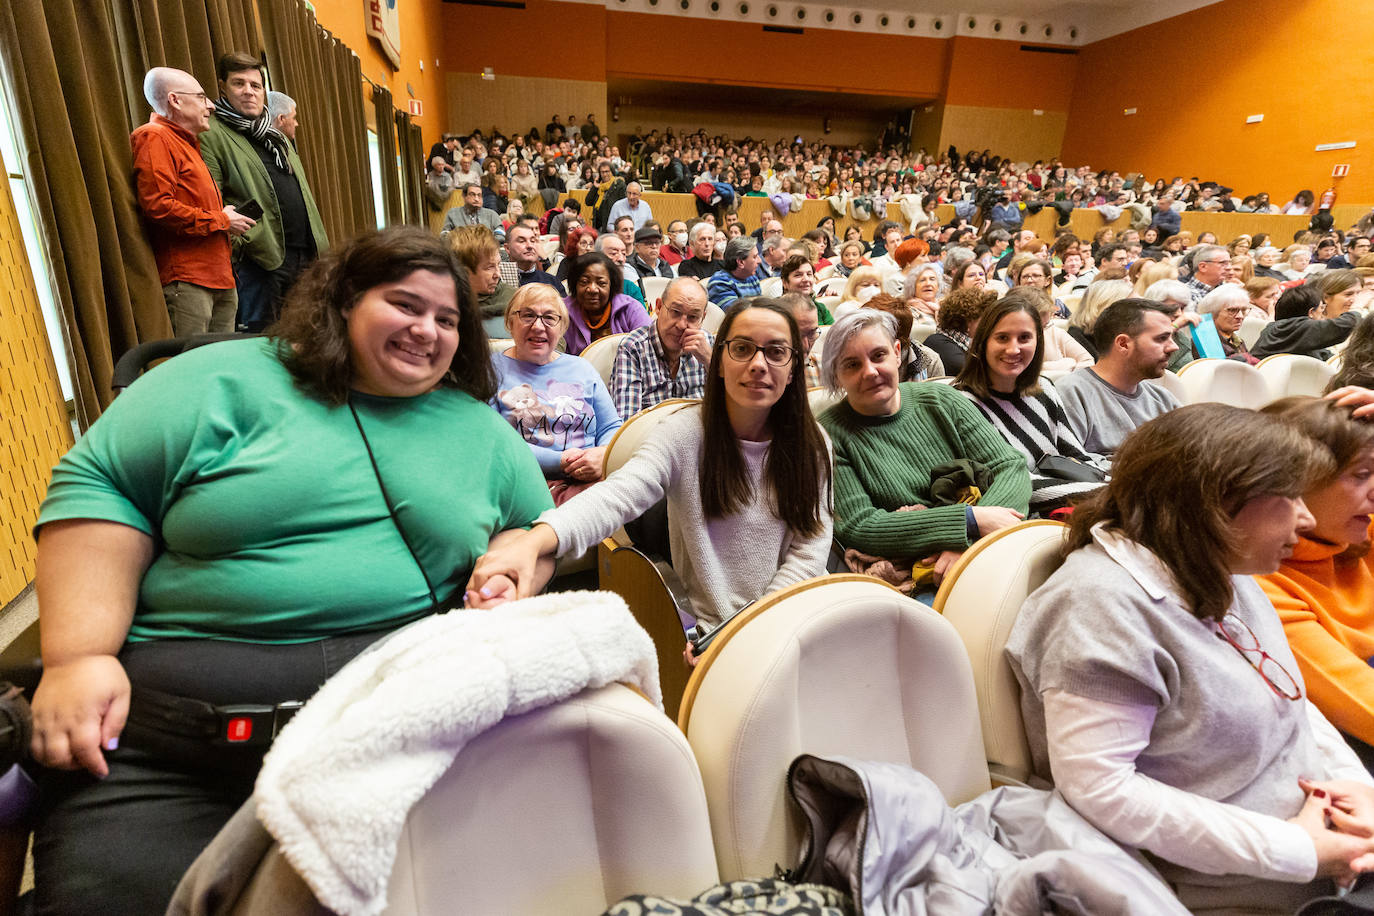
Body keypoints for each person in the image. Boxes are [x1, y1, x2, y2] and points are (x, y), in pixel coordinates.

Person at [25, 227, 553, 915]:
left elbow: (537, 529)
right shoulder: (216, 380)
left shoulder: (476, 428)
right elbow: (102, 486)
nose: (427, 330)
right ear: (342, 301)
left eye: (447, 319)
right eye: (404, 305)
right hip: (175, 753)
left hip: (394, 747)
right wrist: (77, 658)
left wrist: (515, 563)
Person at [1006, 403, 1374, 914]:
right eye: (1288, 498)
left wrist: (1356, 787)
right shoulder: (1098, 608)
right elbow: (1102, 788)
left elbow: (1289, 700)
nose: (1306, 517)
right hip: (1235, 893)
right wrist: (1299, 850)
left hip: (1324, 861)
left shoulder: (1220, 565)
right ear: (1216, 504)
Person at [468, 298, 833, 629]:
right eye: (742, 349)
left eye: (776, 352)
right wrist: (533, 543)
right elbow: (618, 495)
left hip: (789, 617)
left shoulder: (813, 443)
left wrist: (760, 622)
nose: (758, 365)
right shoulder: (684, 433)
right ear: (719, 361)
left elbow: (810, 549)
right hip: (713, 630)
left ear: (793, 368)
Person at [818, 309, 1030, 582]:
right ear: (836, 374)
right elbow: (860, 526)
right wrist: (968, 521)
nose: (869, 371)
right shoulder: (827, 435)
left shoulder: (942, 399)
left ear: (897, 353)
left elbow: (1010, 466)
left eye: (878, 356)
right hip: (921, 572)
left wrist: (969, 541)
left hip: (992, 545)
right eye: (852, 365)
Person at [1259, 395, 1374, 770]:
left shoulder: (1354, 531)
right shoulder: (1262, 584)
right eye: (1361, 475)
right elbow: (1363, 702)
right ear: (1293, 485)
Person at [200, 52, 328, 331]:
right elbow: (212, 198)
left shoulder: (276, 136)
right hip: (261, 261)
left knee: (306, 337)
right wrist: (245, 246)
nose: (249, 91)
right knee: (262, 340)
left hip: (304, 256)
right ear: (223, 87)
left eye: (255, 85)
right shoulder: (212, 134)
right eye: (239, 83)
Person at [954, 290, 1107, 511]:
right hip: (1025, 515)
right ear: (983, 342)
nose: (1013, 349)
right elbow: (1014, 483)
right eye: (1002, 338)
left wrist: (1111, 486)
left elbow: (1076, 457)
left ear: (1038, 342)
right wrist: (1105, 494)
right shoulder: (962, 404)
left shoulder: (1043, 388)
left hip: (1077, 501)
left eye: (1024, 338)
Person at [131, 67, 252, 336]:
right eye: (201, 97)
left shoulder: (189, 143)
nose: (211, 105)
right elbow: (158, 207)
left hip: (220, 278)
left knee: (221, 359)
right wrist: (222, 219)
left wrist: (223, 216)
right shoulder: (154, 136)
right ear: (175, 100)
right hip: (189, 281)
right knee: (192, 360)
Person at [492, 284, 622, 505]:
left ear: (562, 328)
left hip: (594, 478)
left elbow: (610, 426)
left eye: (549, 318)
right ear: (509, 322)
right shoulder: (490, 370)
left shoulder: (582, 367)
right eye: (528, 315)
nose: (538, 326)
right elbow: (496, 443)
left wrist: (603, 455)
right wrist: (561, 461)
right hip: (528, 484)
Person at [1056, 298, 1182, 456]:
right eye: (1161, 338)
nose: (1174, 347)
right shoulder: (1071, 394)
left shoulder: (1163, 399)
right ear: (1123, 344)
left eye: (1171, 338)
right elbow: (1070, 463)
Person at [611, 277, 713, 419]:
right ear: (658, 307)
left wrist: (710, 361)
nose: (682, 325)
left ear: (703, 318)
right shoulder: (633, 349)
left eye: (693, 317)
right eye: (675, 312)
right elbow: (627, 422)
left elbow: (728, 411)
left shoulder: (707, 344)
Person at [561, 251, 651, 356]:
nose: (592, 289)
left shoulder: (631, 308)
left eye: (601, 283)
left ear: (611, 285)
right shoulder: (562, 310)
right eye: (584, 282)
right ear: (574, 284)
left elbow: (648, 349)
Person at [1253, 285, 1359, 361]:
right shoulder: (1301, 327)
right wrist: (1357, 307)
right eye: (1321, 308)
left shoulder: (1275, 328)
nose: (1323, 313)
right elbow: (1347, 324)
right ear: (1311, 312)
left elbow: (1325, 356)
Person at [449, 225, 513, 338]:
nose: (498, 275)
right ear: (462, 272)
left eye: (498, 264)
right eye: (489, 267)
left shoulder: (516, 300)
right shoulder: (443, 308)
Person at [924, 285, 995, 376]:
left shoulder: (960, 342)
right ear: (969, 321)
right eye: (984, 319)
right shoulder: (940, 345)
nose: (988, 324)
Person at [1196, 285, 1259, 363]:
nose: (1240, 316)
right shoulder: (1206, 340)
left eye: (1243, 310)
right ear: (1212, 313)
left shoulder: (1236, 340)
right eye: (1232, 310)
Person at [706, 236, 763, 307]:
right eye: (755, 257)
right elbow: (734, 311)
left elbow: (761, 307)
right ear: (741, 262)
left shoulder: (752, 279)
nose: (760, 261)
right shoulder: (720, 282)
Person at [440, 182, 505, 243]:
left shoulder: (492, 214)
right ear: (464, 196)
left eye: (479, 195)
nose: (476, 199)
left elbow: (501, 234)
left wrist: (486, 243)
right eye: (472, 195)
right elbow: (444, 235)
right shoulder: (453, 214)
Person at [780, 252, 834, 324]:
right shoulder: (776, 310)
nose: (806, 279)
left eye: (809, 274)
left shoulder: (820, 308)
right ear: (785, 283)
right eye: (798, 275)